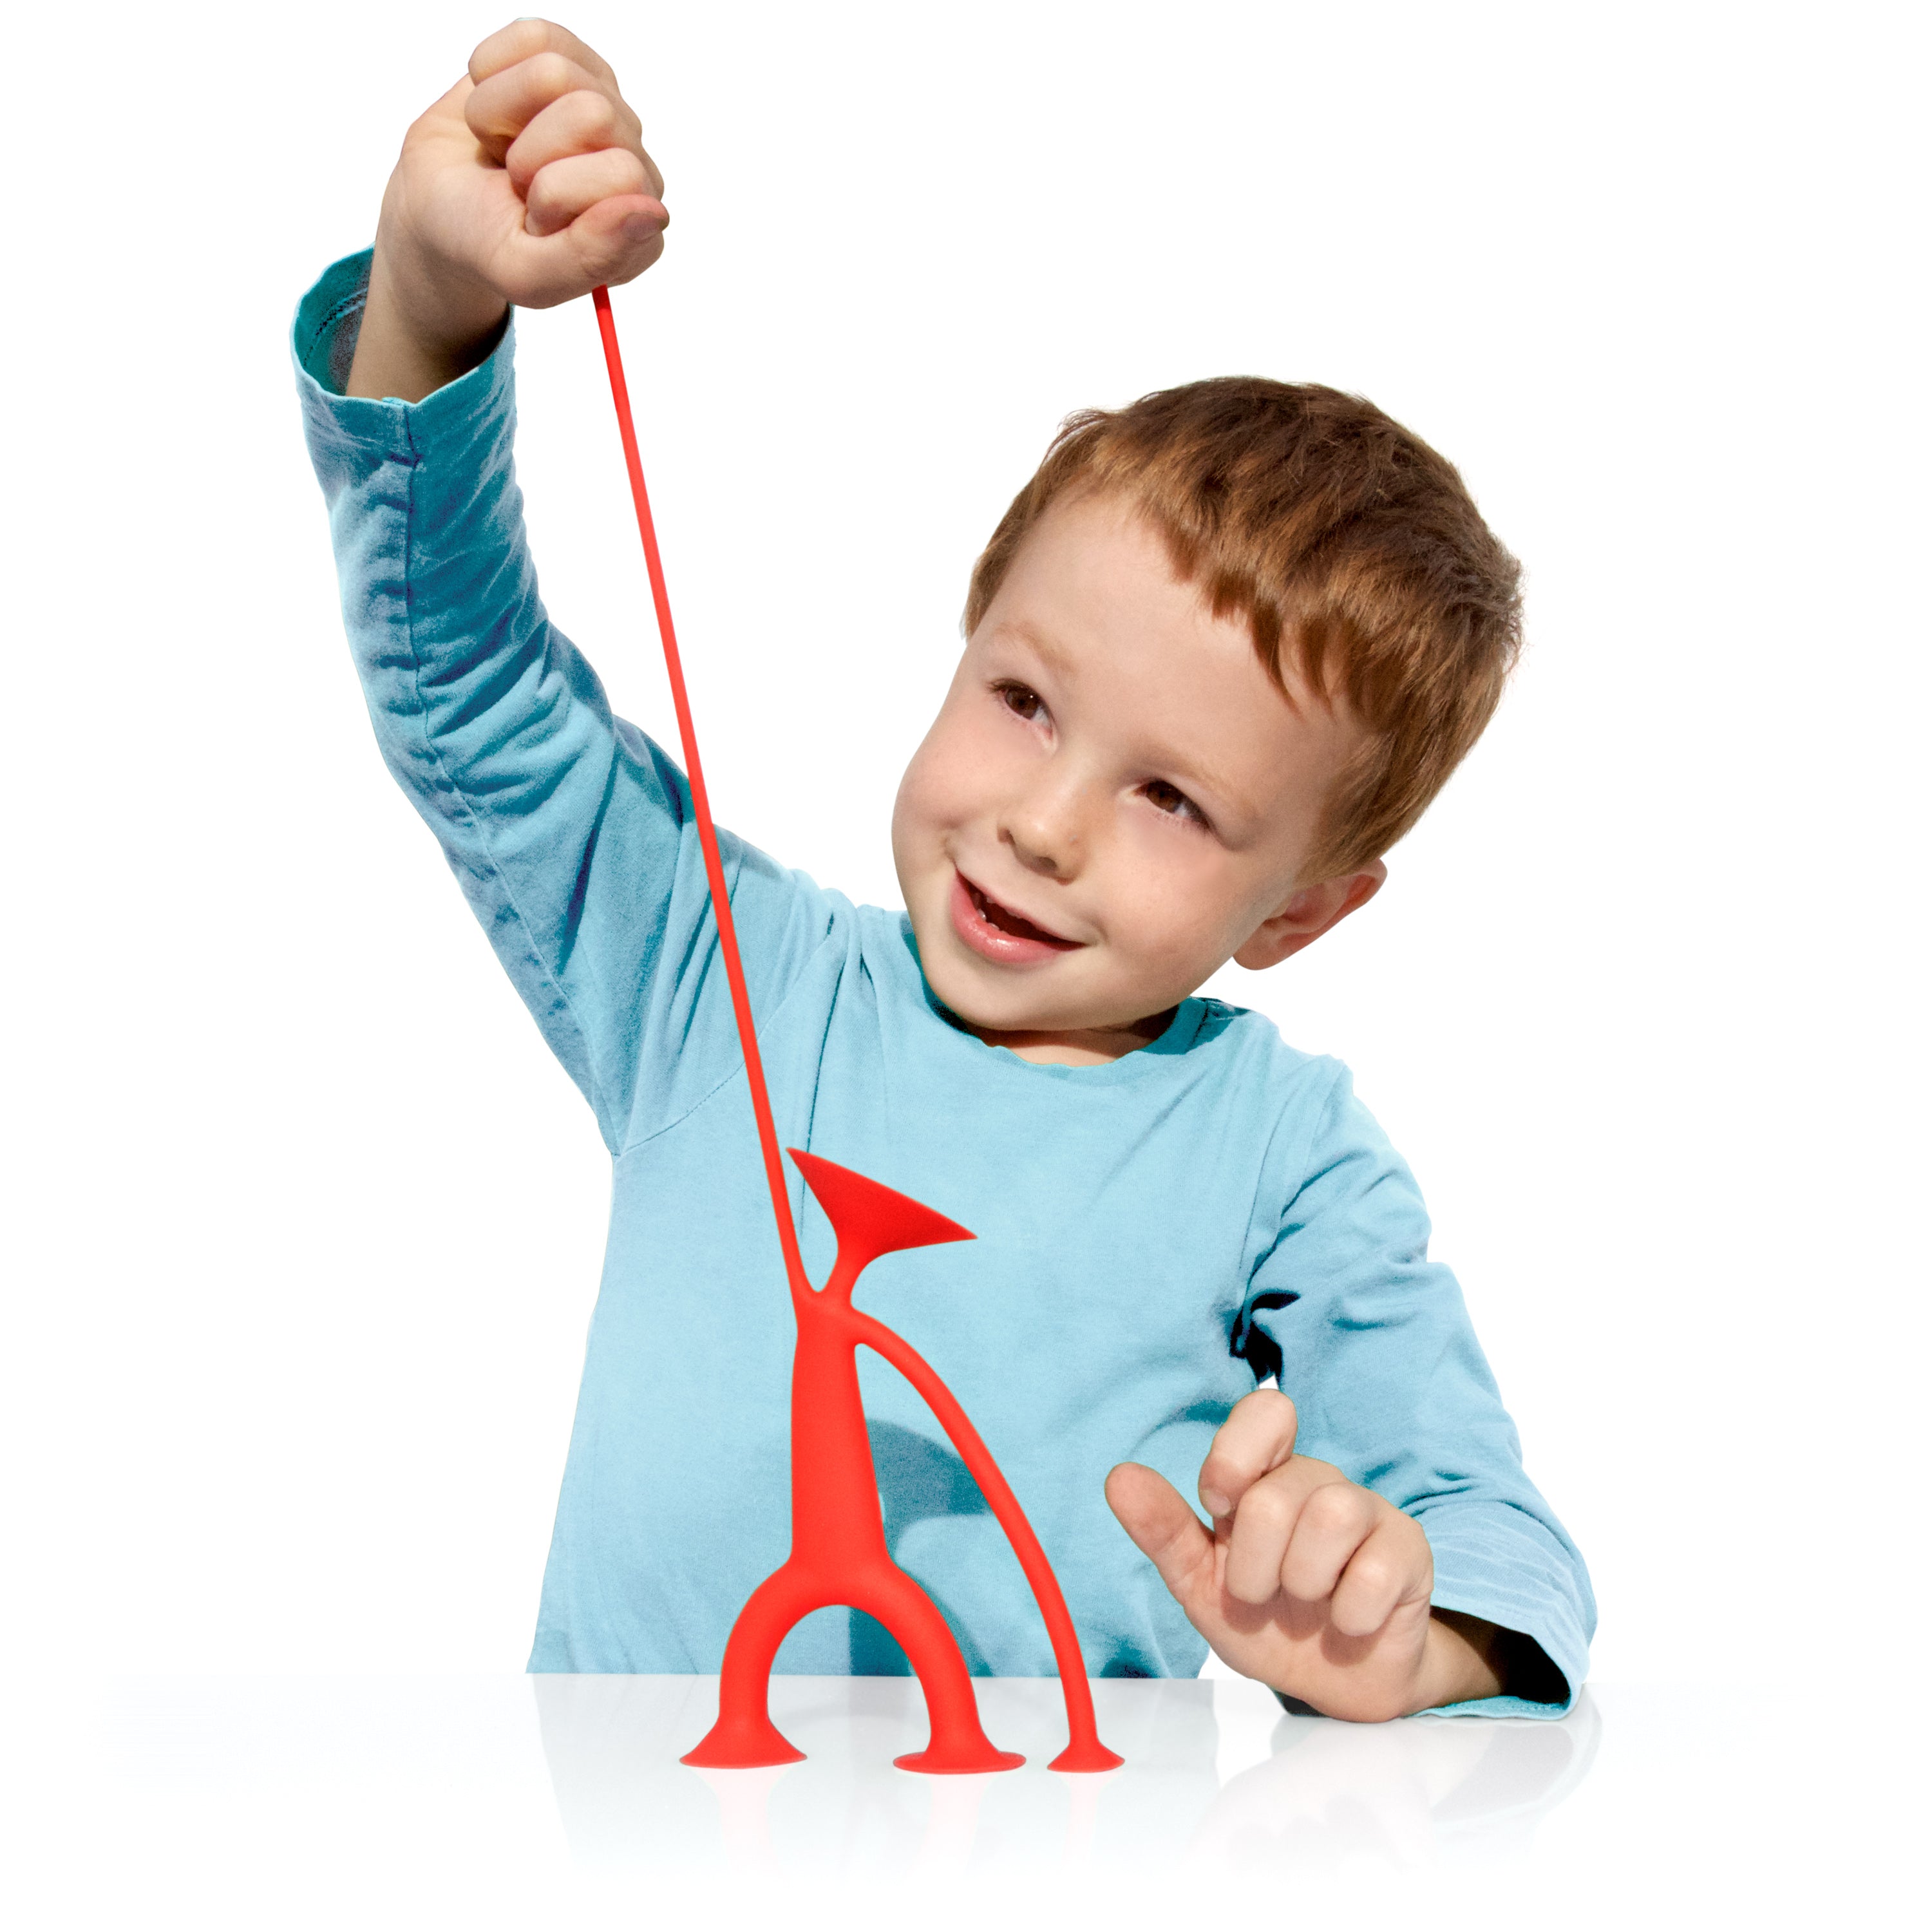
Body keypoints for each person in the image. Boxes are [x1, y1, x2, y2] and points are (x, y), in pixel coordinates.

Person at [296, 18, 1592, 1722]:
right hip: (607, 1840)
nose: (1045, 825)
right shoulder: (723, 975)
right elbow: (466, 689)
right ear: (967, 638)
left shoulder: (1286, 1153)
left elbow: (1491, 1530)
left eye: (1172, 799)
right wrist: (429, 301)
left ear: (1299, 909)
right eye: (1024, 702)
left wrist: (1400, 1634)